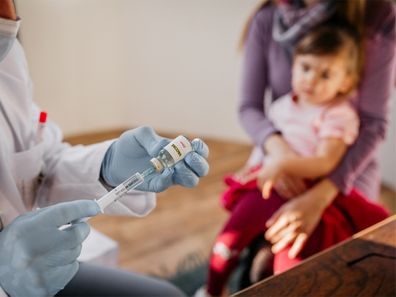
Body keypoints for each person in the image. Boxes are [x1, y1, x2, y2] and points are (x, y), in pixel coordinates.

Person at [0, 1, 209, 296]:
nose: (8, 15)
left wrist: (106, 165)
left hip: (36, 268)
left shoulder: (7, 61)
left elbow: (41, 162)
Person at [195, 22, 391, 297]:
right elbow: (264, 146)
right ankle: (213, 289)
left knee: (292, 259)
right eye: (306, 68)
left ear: (345, 81)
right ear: (294, 66)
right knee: (229, 239)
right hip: (268, 185)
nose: (311, 80)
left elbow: (325, 162)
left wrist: (281, 164)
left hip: (306, 192)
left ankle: (272, 272)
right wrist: (255, 167)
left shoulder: (339, 115)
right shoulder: (282, 105)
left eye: (325, 75)